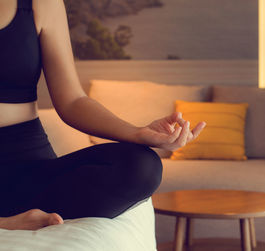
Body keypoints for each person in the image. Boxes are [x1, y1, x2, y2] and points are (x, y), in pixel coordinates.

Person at [0, 0, 206, 231]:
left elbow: (72, 101)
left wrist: (138, 133)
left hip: (29, 164)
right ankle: (7, 222)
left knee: (141, 166)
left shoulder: (41, 4)